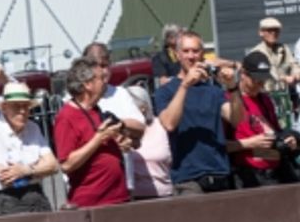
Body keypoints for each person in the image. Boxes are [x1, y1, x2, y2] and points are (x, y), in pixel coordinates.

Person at [153, 30, 243, 195]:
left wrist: (233, 87)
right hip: (188, 179)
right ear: (177, 54)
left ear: (202, 54)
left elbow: (236, 119)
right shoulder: (165, 91)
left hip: (219, 173)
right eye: (186, 51)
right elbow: (169, 123)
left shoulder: (213, 91)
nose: (191, 56)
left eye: (195, 51)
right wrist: (185, 86)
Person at [53, 58, 129, 208]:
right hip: (93, 204)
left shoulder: (95, 111)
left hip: (118, 198)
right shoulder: (66, 117)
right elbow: (67, 164)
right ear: (88, 84)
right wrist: (98, 138)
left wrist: (119, 144)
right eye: (100, 78)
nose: (105, 82)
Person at [0, 82, 59, 215]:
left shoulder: (33, 127)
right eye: (16, 106)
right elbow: (5, 177)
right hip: (9, 199)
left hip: (37, 195)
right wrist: (38, 168)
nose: (22, 111)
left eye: (26, 106)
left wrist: (24, 170)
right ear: (4, 108)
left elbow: (54, 165)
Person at [226, 51, 298, 188]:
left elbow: (276, 132)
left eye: (263, 80)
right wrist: (249, 143)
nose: (260, 84)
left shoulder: (264, 99)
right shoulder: (229, 101)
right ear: (243, 74)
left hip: (274, 170)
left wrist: (289, 139)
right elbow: (219, 146)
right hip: (248, 173)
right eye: (256, 80)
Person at [82, 42, 147, 145]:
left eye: (106, 65)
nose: (104, 71)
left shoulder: (120, 93)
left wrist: (118, 123)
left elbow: (140, 127)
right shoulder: (75, 99)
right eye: (99, 66)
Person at [123, 85, 173, 200]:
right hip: (132, 197)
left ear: (143, 108)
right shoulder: (122, 129)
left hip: (163, 195)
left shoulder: (161, 126)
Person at [248, 16, 300, 99]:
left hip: (285, 95)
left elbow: (293, 64)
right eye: (269, 30)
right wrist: (283, 78)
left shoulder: (284, 49)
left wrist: (296, 74)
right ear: (261, 32)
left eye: (276, 30)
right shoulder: (256, 53)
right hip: (265, 95)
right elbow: (264, 74)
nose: (273, 33)